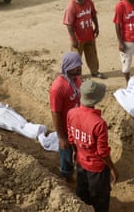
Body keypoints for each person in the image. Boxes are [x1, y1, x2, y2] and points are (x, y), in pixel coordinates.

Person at [67, 79, 118, 212]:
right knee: (100, 199)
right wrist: (112, 168)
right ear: (96, 99)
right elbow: (102, 153)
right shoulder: (99, 123)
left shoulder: (71, 113)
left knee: (82, 194)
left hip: (80, 163)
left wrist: (76, 152)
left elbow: (71, 138)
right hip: (96, 169)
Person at [49, 51, 83, 181]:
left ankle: (81, 173)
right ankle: (66, 176)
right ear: (68, 67)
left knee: (80, 153)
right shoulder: (58, 87)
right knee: (66, 154)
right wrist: (61, 136)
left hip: (77, 126)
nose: (79, 68)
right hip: (66, 129)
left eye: (80, 65)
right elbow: (55, 112)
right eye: (75, 66)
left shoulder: (77, 80)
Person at [63, 0, 105, 79]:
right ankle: (76, 76)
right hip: (78, 39)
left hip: (89, 35)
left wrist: (97, 27)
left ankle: (95, 71)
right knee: (76, 58)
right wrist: (74, 39)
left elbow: (93, 15)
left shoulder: (89, 2)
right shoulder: (71, 7)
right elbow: (69, 25)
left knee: (92, 55)